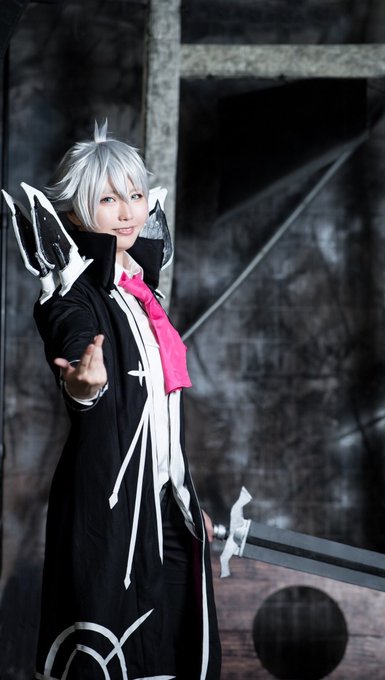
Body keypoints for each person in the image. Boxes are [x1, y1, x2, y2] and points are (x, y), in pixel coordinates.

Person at [21, 122, 221, 679]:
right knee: (111, 653)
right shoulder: (72, 293)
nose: (127, 211)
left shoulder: (143, 292)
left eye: (134, 195)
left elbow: (160, 410)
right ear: (78, 212)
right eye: (108, 199)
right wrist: (83, 387)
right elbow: (75, 344)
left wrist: (185, 497)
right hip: (108, 505)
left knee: (179, 650)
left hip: (166, 505)